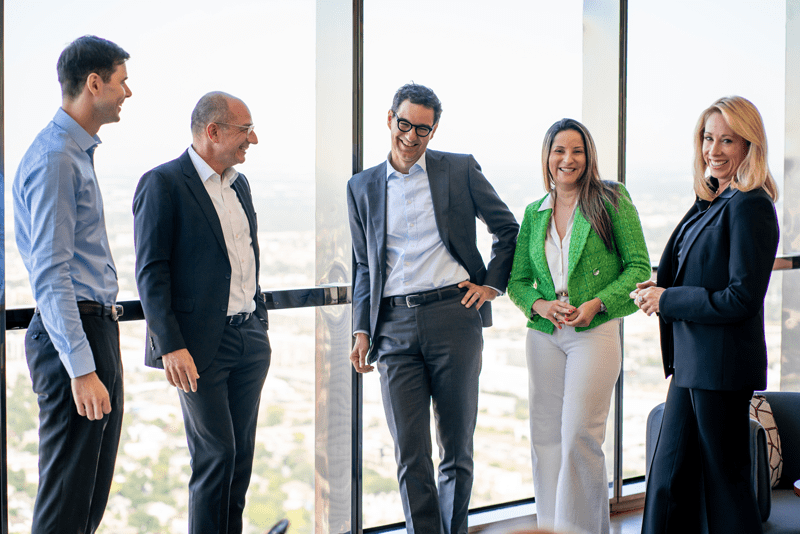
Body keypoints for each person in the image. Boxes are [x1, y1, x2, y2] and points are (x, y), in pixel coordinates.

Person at [347, 82, 519, 534]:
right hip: (393, 326)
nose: (411, 136)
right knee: (410, 452)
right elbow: (364, 265)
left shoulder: (458, 170)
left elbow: (508, 230)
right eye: (404, 124)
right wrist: (361, 330)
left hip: (454, 317)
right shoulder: (361, 186)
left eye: (423, 129)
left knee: (456, 448)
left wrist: (490, 286)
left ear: (434, 130)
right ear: (390, 119)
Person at [633, 96, 779, 534]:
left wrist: (668, 300)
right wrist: (659, 291)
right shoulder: (716, 201)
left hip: (719, 366)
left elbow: (741, 298)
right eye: (707, 138)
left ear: (749, 146)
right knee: (668, 480)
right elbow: (693, 267)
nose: (713, 150)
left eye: (727, 140)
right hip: (692, 363)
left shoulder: (751, 205)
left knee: (725, 486)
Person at [133, 91, 271, 534]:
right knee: (216, 457)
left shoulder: (239, 184)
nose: (253, 139)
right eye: (244, 130)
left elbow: (246, 259)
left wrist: (259, 324)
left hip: (249, 338)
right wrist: (170, 345)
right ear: (213, 131)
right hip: (196, 347)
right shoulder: (164, 183)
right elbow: (152, 273)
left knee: (240, 460)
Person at [507, 118, 650, 534]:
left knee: (578, 439)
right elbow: (517, 280)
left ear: (588, 156)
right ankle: (551, 529)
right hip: (545, 335)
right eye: (559, 151)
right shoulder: (535, 213)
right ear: (547, 157)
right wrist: (540, 304)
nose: (568, 159)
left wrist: (597, 304)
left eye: (577, 151)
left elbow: (639, 267)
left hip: (595, 332)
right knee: (546, 442)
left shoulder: (612, 199)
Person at [12, 35, 131, 533]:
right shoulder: (57, 157)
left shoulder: (75, 152)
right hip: (73, 338)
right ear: (94, 83)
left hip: (92, 329)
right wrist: (81, 368)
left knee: (87, 498)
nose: (129, 93)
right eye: (123, 82)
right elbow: (51, 273)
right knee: (67, 500)